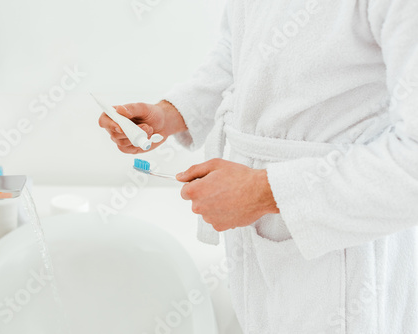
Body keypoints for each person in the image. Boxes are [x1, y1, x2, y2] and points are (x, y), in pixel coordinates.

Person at [99, 0, 418, 332]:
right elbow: (238, 50)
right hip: (258, 240)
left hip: (342, 253)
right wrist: (173, 112)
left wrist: (266, 192)